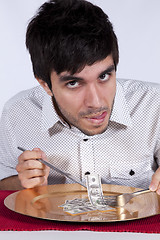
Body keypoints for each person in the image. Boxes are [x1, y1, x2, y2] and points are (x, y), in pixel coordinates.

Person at [0, 0, 160, 193]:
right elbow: (4, 184)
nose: (96, 102)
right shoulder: (17, 114)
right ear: (45, 84)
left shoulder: (153, 103)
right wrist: (24, 183)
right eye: (73, 83)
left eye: (103, 76)